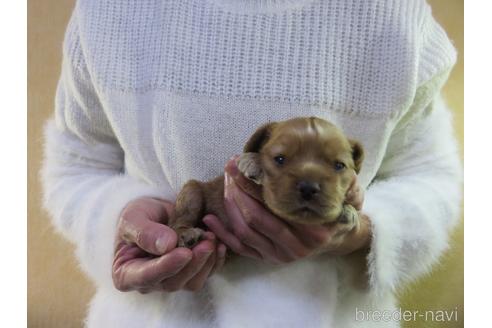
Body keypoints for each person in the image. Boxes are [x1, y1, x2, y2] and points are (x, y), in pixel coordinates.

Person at [41, 0, 461, 327]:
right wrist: (124, 224)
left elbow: (431, 176)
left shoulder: (397, 17)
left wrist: (365, 235)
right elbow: (77, 160)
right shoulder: (110, 12)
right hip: (153, 316)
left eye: (335, 167)